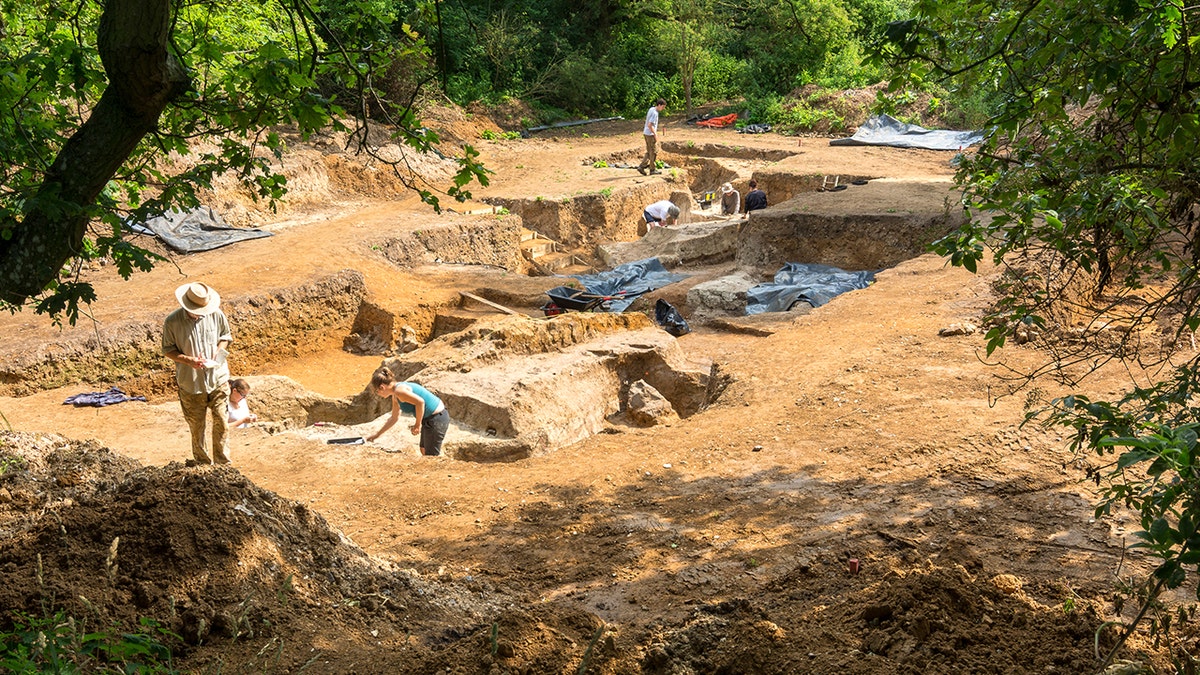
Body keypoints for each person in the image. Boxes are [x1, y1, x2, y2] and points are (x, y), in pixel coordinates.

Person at [162, 282, 233, 465]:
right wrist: (188, 360)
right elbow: (167, 350)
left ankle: (222, 464)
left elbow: (225, 336)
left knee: (222, 422)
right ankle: (203, 464)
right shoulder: (172, 322)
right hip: (191, 383)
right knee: (197, 426)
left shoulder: (216, 314)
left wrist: (219, 350)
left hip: (218, 378)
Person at [366, 367, 450, 456]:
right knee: (423, 450)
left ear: (382, 387)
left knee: (431, 456)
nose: (378, 395)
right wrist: (377, 434)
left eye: (377, 392)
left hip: (437, 418)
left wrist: (417, 425)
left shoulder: (399, 391)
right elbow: (394, 418)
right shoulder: (395, 394)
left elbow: (420, 402)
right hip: (429, 419)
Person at [637, 98, 667, 176]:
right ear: (659, 105)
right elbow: (650, 125)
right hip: (650, 134)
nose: (663, 109)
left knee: (649, 151)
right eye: (663, 107)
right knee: (653, 152)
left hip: (646, 133)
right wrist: (655, 134)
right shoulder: (655, 113)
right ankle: (649, 168)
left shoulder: (651, 109)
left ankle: (645, 167)